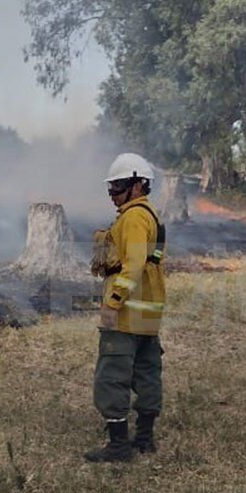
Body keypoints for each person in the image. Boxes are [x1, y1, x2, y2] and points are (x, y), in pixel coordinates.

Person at [85, 153, 166, 463]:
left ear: (139, 185)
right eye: (111, 186)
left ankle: (119, 446)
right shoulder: (151, 214)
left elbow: (132, 265)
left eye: (119, 185)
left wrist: (113, 303)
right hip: (149, 309)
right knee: (147, 372)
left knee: (112, 374)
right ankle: (144, 438)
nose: (113, 193)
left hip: (127, 311)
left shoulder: (132, 217)